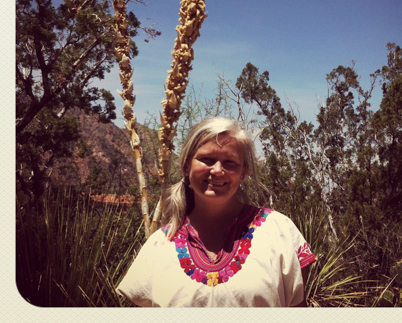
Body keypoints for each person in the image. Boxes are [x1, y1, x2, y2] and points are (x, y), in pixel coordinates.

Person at [117, 117, 316, 307]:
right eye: (207, 159)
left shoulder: (278, 231)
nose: (218, 170)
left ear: (243, 172)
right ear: (187, 165)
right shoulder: (160, 245)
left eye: (230, 162)